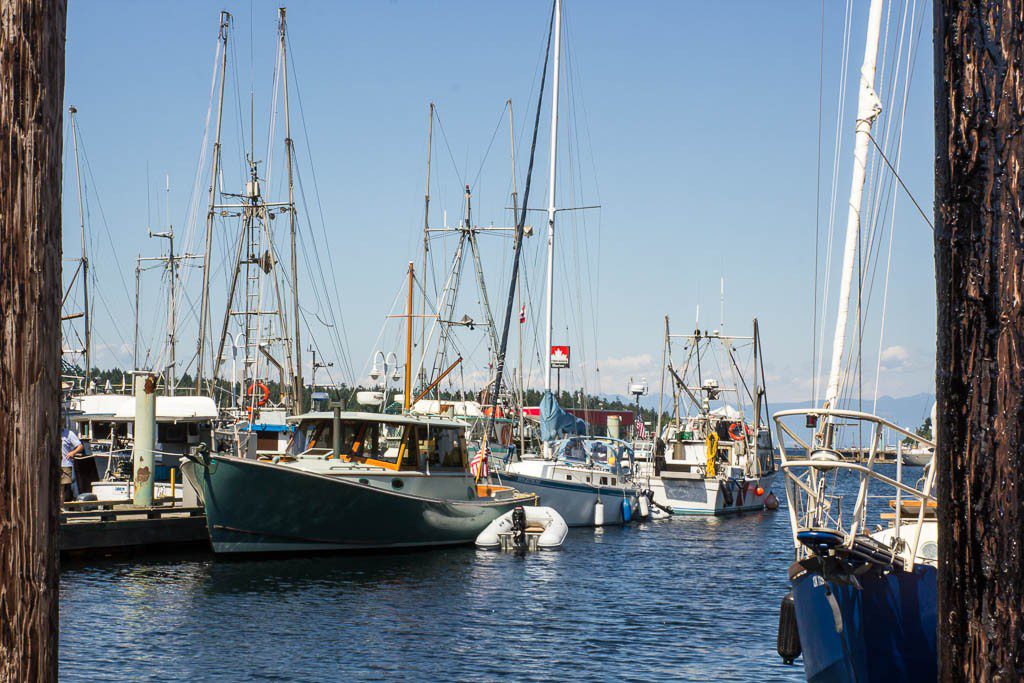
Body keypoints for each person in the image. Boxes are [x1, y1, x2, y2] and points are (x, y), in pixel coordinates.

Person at [61, 426, 84, 502]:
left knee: (66, 488)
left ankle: (65, 506)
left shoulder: (69, 433)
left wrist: (73, 452)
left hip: (65, 464)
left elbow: (80, 446)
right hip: (53, 465)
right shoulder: (51, 433)